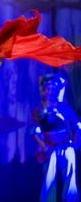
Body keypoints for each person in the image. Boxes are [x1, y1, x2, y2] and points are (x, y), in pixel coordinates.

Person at [31, 73, 80, 202]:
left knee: (70, 178)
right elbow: (33, 131)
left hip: (66, 146)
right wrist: (43, 146)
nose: (50, 89)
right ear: (43, 89)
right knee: (49, 179)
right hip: (49, 149)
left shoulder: (64, 107)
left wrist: (77, 142)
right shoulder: (39, 109)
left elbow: (78, 125)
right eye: (47, 87)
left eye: (53, 87)